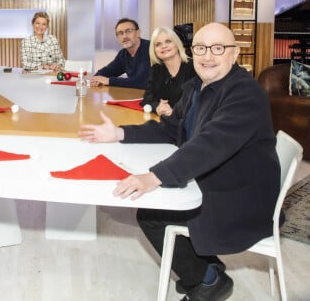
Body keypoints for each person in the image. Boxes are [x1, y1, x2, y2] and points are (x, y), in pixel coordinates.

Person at [78, 23, 280, 301]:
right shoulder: (199, 85)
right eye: (200, 48)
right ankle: (208, 267)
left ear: (234, 55)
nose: (207, 56)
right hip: (221, 178)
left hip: (242, 195)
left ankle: (207, 282)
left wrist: (153, 177)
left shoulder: (244, 93)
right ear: (192, 52)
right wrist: (119, 133)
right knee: (158, 205)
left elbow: (209, 145)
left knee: (152, 214)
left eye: (218, 49)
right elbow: (173, 128)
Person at [140, 26, 196, 116]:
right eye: (158, 44)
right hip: (163, 122)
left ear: (177, 44)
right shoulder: (156, 69)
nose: (164, 46)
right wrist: (157, 106)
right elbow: (147, 100)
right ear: (154, 50)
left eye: (168, 41)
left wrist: (174, 112)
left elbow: (199, 103)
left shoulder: (194, 67)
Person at [89, 18, 150, 89]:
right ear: (117, 38)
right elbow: (109, 70)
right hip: (138, 94)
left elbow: (142, 81)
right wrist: (96, 78)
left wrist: (109, 81)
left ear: (138, 33)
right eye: (120, 33)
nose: (124, 36)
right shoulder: (123, 54)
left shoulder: (149, 49)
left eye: (128, 31)